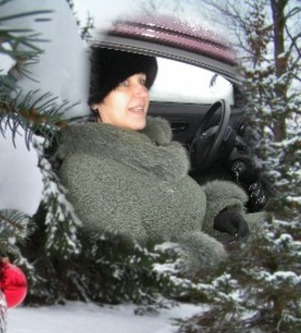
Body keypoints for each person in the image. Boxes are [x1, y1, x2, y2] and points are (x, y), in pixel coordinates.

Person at [56, 47, 263, 272]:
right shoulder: (86, 173)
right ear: (93, 100)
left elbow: (179, 211)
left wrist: (218, 216)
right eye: (124, 83)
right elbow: (134, 268)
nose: (142, 93)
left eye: (142, 81)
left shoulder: (148, 148)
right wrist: (218, 253)